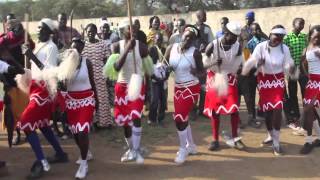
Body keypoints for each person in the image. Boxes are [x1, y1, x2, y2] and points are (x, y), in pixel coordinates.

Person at [20, 18, 69, 179]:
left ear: (48, 31)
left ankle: (42, 162)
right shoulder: (40, 46)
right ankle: (60, 154)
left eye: (41, 28)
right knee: (43, 125)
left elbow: (48, 72)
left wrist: (31, 56)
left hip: (43, 90)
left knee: (26, 123)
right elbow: (32, 68)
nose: (38, 30)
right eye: (38, 27)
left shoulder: (51, 47)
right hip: (35, 88)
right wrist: (27, 54)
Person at [242, 25, 295, 156]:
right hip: (264, 81)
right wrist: (258, 64)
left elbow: (288, 64)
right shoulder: (261, 47)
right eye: (276, 36)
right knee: (267, 112)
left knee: (277, 108)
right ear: (270, 34)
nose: (278, 39)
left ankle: (276, 142)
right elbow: (251, 64)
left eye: (281, 37)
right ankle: (270, 134)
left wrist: (290, 68)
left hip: (278, 82)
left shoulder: (285, 49)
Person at [165, 25, 205, 164]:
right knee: (183, 117)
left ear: (194, 41)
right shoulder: (171, 48)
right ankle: (192, 146)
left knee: (179, 118)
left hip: (191, 87)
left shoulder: (195, 53)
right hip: (178, 88)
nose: (187, 40)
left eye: (191, 38)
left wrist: (196, 72)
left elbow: (202, 73)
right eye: (186, 36)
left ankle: (183, 149)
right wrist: (165, 69)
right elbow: (164, 66)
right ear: (182, 34)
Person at [203, 22, 246, 151]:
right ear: (227, 34)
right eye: (233, 37)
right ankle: (215, 140)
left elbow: (239, 63)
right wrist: (213, 63)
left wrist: (239, 70)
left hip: (230, 77)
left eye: (237, 37)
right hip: (214, 76)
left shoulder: (237, 47)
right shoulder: (213, 45)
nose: (235, 40)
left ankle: (235, 138)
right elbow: (204, 65)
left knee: (234, 108)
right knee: (215, 110)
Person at [112, 20, 148, 164]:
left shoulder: (143, 47)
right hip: (121, 86)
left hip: (137, 84)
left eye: (134, 27)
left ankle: (137, 149)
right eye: (129, 27)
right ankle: (132, 149)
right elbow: (116, 67)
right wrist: (127, 48)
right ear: (123, 30)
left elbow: (148, 69)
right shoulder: (116, 46)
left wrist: (149, 90)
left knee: (136, 117)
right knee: (125, 122)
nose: (132, 29)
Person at [62, 38, 97, 178]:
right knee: (75, 133)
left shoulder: (86, 62)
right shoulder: (66, 64)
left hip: (87, 99)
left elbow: (92, 81)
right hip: (71, 101)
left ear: (82, 49)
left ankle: (84, 164)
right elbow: (63, 86)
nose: (74, 51)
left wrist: (97, 100)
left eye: (77, 48)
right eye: (72, 48)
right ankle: (86, 152)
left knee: (82, 131)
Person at [0, 17, 35, 146]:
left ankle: (27, 129)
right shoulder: (3, 40)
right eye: (12, 27)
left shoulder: (24, 36)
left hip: (23, 74)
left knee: (25, 104)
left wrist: (28, 45)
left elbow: (31, 49)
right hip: (9, 76)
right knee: (13, 107)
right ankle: (18, 133)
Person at [82, 23, 113, 128]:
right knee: (91, 99)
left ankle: (104, 122)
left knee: (102, 99)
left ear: (96, 32)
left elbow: (107, 60)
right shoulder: (83, 45)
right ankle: (93, 122)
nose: (90, 33)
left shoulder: (102, 44)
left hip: (100, 76)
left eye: (92, 31)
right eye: (88, 31)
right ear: (86, 33)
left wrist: (107, 74)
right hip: (87, 77)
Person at [238, 23, 268, 128]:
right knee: (250, 95)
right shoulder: (247, 44)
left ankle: (261, 113)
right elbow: (247, 59)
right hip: (250, 74)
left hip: (261, 72)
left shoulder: (264, 42)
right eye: (254, 30)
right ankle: (252, 117)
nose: (257, 31)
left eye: (258, 29)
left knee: (263, 92)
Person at [283, 18, 308, 133]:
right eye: (300, 23)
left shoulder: (304, 37)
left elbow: (307, 52)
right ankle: (296, 116)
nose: (302, 25)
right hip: (292, 69)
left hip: (303, 70)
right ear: (293, 24)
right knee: (293, 94)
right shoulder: (287, 38)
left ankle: (306, 115)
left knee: (305, 92)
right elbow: (284, 54)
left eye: (303, 24)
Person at [299, 25, 320, 154]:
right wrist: (307, 74)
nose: (317, 39)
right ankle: (308, 141)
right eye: (315, 36)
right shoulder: (306, 49)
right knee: (308, 111)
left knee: (314, 111)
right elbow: (302, 63)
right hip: (312, 83)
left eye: (319, 37)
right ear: (310, 35)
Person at [148, 32, 167, 126]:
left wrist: (166, 75)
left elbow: (166, 64)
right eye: (157, 39)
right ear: (154, 40)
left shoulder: (164, 49)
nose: (159, 41)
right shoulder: (151, 49)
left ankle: (160, 118)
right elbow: (149, 65)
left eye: (160, 40)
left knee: (163, 99)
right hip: (154, 79)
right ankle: (151, 118)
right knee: (155, 99)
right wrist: (153, 77)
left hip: (163, 79)